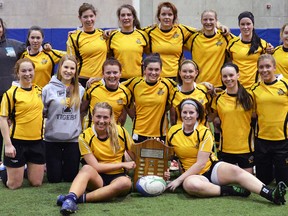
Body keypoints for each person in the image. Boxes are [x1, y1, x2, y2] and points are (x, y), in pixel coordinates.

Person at [166, 98, 287, 205]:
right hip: (192, 175)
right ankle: (229, 190)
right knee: (191, 186)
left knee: (236, 170)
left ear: (197, 114)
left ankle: (271, 194)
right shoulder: (173, 131)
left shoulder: (204, 132)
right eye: (184, 112)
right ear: (180, 113)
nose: (188, 115)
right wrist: (166, 172)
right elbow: (168, 155)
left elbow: (201, 164)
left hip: (211, 168)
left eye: (191, 112)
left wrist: (178, 180)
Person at [56, 102, 136, 215]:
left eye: (105, 117)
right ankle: (71, 198)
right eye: (98, 116)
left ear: (110, 118)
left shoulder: (121, 131)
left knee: (126, 183)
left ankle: (74, 199)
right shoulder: (84, 136)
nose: (101, 121)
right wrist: (123, 164)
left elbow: (136, 156)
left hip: (117, 177)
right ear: (92, 116)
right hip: (97, 178)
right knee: (86, 168)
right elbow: (96, 167)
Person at [0, 58, 45, 189]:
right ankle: (5, 169)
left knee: (36, 183)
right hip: (17, 142)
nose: (27, 73)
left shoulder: (39, 90)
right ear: (17, 73)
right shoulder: (10, 93)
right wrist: (8, 145)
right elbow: (3, 119)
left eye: (30, 70)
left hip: (37, 142)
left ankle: (22, 167)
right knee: (14, 185)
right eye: (23, 71)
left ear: (34, 71)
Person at [42, 55, 84, 183]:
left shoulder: (81, 89)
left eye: (72, 68)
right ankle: (31, 167)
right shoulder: (48, 89)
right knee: (54, 179)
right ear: (60, 68)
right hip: (51, 140)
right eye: (66, 67)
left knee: (70, 178)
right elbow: (41, 113)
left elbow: (84, 110)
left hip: (72, 140)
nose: (68, 71)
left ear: (76, 71)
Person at [251, 54, 288, 185]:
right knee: (263, 181)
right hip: (262, 141)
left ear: (274, 67)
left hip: (283, 140)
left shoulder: (285, 85)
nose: (264, 70)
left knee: (283, 182)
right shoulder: (255, 89)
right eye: (261, 67)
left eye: (268, 66)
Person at [211, 63, 254, 173]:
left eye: (231, 75)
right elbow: (212, 119)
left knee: (247, 183)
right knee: (225, 182)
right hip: (225, 148)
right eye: (225, 76)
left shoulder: (250, 96)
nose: (228, 79)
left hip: (246, 148)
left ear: (238, 75)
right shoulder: (218, 98)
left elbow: (256, 117)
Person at [123, 53, 176, 143]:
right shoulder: (135, 83)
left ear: (161, 70)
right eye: (150, 69)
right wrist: (98, 80)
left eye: (156, 70)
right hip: (139, 132)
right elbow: (115, 86)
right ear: (144, 70)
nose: (153, 73)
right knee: (137, 157)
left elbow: (186, 88)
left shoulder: (168, 84)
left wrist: (204, 85)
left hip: (160, 134)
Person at [142, 2, 197, 79]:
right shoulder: (149, 31)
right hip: (156, 77)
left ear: (174, 17)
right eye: (163, 14)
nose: (166, 17)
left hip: (177, 77)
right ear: (159, 16)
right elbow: (135, 33)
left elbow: (202, 31)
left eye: (170, 14)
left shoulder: (181, 30)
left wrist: (218, 25)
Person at [184, 10, 234, 88]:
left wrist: (221, 26)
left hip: (219, 85)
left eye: (211, 19)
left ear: (216, 21)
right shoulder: (193, 38)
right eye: (205, 19)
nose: (208, 22)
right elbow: (177, 46)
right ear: (201, 21)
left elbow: (240, 44)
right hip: (199, 85)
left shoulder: (224, 36)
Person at [0, 18, 26, 167]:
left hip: (12, 96)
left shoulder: (15, 45)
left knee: (15, 128)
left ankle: (17, 160)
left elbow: (32, 50)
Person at [227, 11, 272, 89]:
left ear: (253, 25)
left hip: (255, 87)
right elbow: (228, 61)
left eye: (248, 24)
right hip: (237, 87)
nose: (245, 27)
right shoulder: (232, 43)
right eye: (242, 24)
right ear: (239, 25)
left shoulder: (262, 44)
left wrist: (271, 51)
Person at [81, 58, 131, 127]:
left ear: (120, 74)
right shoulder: (92, 87)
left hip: (112, 134)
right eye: (108, 73)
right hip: (91, 133)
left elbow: (132, 116)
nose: (112, 76)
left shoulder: (125, 92)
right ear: (103, 74)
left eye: (115, 72)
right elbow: (82, 110)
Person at [67, 3, 107, 87]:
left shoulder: (102, 34)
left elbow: (119, 32)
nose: (89, 19)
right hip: (82, 80)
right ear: (80, 18)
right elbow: (70, 62)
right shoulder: (74, 37)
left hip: (100, 80)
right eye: (85, 17)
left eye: (91, 16)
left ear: (95, 16)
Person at [107, 4, 149, 80]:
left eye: (129, 15)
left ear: (133, 17)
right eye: (123, 15)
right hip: (118, 80)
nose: (126, 18)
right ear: (119, 18)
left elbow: (149, 55)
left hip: (138, 79)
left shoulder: (143, 35)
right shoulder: (112, 36)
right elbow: (108, 57)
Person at [170, 59, 211, 125]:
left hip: (201, 133)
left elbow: (210, 115)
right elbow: (173, 119)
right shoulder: (173, 93)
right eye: (184, 71)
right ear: (180, 73)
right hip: (181, 133)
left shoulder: (204, 90)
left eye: (191, 71)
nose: (187, 74)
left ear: (196, 72)